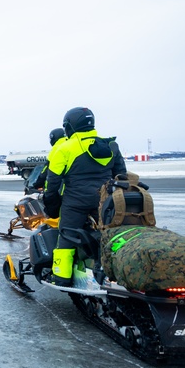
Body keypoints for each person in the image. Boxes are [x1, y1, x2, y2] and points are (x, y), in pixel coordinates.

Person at [43, 107, 127, 286]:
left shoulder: (64, 149)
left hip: (75, 203)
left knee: (65, 235)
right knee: (108, 235)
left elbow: (52, 185)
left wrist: (52, 206)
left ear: (69, 126)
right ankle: (111, 270)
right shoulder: (110, 145)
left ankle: (61, 277)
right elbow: (121, 176)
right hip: (105, 202)